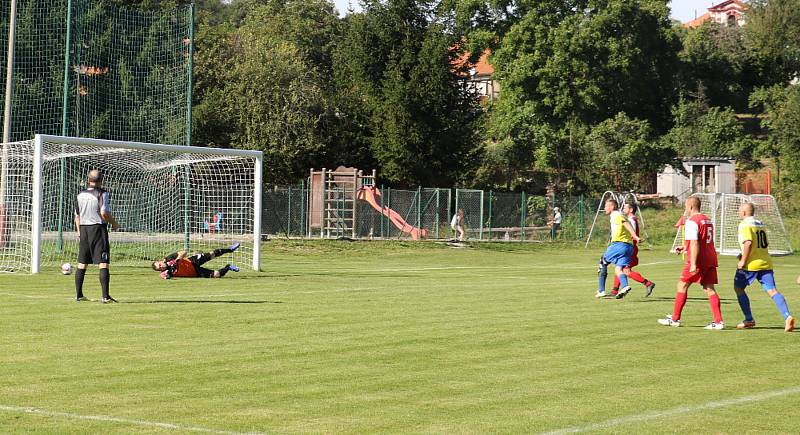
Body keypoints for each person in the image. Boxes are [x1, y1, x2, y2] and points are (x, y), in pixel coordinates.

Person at [658, 196, 724, 329]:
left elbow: (694, 242)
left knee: (682, 285)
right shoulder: (707, 219)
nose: (685, 209)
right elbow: (703, 239)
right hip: (710, 258)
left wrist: (693, 263)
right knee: (710, 289)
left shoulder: (692, 221)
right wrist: (684, 247)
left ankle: (675, 319)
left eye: (685, 206)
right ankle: (718, 322)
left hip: (699, 260)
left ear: (691, 207)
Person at [732, 202, 794, 332]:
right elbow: (758, 243)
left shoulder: (744, 225)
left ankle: (749, 319)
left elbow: (748, 242)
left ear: (743, 213)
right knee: (772, 291)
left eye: (739, 211)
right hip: (765, 262)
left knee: (738, 288)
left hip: (750, 265)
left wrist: (743, 260)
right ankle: (787, 316)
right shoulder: (760, 224)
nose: (738, 213)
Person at [74, 169, 121, 303]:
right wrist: (115, 224)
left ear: (88, 180)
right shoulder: (102, 193)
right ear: (101, 181)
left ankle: (79, 295)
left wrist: (79, 232)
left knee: (82, 263)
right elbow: (104, 212)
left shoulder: (80, 194)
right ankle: (105, 296)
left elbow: (77, 216)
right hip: (97, 229)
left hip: (84, 229)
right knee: (103, 263)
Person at [596, 199, 640, 299]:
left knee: (602, 262)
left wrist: (635, 236)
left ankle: (601, 290)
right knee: (618, 269)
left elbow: (626, 223)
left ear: (612, 207)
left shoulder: (616, 215)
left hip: (619, 244)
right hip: (628, 246)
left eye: (606, 206)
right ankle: (625, 286)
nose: (604, 208)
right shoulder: (619, 215)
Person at [610, 202, 655, 298]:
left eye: (625, 207)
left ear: (631, 210)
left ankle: (648, 283)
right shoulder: (628, 219)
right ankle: (614, 291)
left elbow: (632, 233)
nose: (623, 209)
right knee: (619, 267)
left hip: (629, 248)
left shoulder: (631, 220)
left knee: (625, 270)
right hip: (626, 247)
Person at [152, 242, 241, 279]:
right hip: (195, 273)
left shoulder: (169, 258)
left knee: (212, 254)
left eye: (159, 264)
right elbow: (164, 276)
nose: (161, 267)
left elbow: (183, 252)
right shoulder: (166, 271)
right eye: (159, 268)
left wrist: (177, 260)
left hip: (192, 261)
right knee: (217, 274)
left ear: (160, 261)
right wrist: (165, 276)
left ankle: (230, 249)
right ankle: (228, 267)